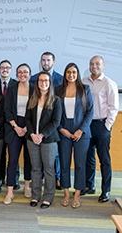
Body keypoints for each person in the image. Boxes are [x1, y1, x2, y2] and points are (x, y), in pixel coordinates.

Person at [56, 63, 93, 208]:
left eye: (74, 72)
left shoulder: (85, 89)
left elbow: (90, 112)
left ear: (77, 74)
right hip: (64, 131)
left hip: (81, 133)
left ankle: (77, 195)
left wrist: (81, 130)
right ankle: (66, 193)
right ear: (65, 74)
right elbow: (54, 113)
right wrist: (60, 129)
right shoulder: (59, 90)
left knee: (80, 165)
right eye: (68, 72)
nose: (71, 75)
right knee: (64, 164)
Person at [82, 55, 119, 203]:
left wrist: (107, 126)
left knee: (104, 159)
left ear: (103, 66)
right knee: (88, 157)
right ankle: (89, 185)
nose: (94, 66)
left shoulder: (109, 83)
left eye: (97, 64)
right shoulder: (84, 82)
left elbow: (114, 107)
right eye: (91, 64)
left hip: (102, 125)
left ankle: (106, 190)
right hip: (87, 124)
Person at [26, 72, 62, 209]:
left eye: (46, 80)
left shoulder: (56, 100)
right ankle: (35, 196)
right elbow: (27, 119)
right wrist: (32, 134)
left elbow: (56, 122)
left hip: (48, 140)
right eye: (41, 80)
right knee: (35, 169)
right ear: (37, 82)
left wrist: (41, 135)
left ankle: (48, 197)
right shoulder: (33, 98)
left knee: (48, 169)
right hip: (32, 139)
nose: (43, 83)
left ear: (50, 82)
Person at [30, 51, 63, 189]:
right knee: (36, 166)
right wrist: (33, 134)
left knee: (52, 161)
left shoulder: (61, 79)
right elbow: (29, 115)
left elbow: (56, 117)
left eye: (48, 60)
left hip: (52, 128)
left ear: (53, 62)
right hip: (34, 132)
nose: (45, 63)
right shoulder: (33, 79)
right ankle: (37, 188)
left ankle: (56, 181)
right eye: (43, 60)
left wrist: (43, 134)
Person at [3, 63, 33, 205]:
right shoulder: (11, 88)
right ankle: (10, 191)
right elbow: (7, 110)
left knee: (29, 159)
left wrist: (27, 128)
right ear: (16, 74)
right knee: (13, 160)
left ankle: (27, 186)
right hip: (13, 127)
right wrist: (16, 127)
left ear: (30, 74)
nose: (22, 74)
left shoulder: (34, 89)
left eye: (25, 72)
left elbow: (36, 110)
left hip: (30, 127)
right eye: (20, 72)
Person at [0, 60, 18, 188]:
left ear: (11, 70)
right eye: (2, 67)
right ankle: (0, 178)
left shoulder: (16, 84)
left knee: (13, 154)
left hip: (12, 125)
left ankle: (13, 180)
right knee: (0, 154)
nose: (5, 69)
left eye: (7, 67)